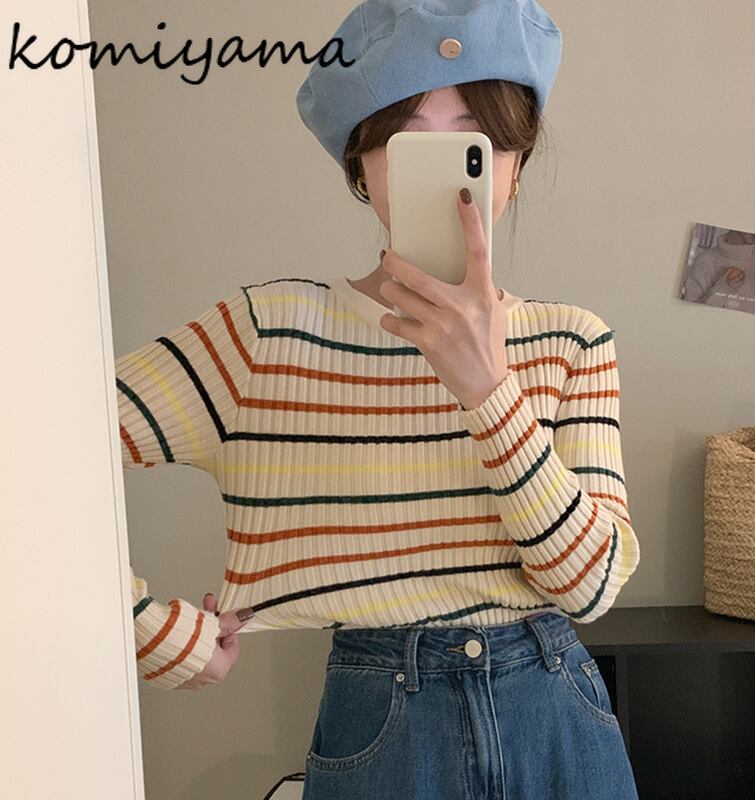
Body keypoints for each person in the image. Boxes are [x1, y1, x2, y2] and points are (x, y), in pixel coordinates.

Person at [118, 1, 641, 797]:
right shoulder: (267, 333)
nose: (446, 167)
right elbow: (33, 444)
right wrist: (139, 624)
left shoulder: (573, 341)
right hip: (383, 720)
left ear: (515, 164)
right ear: (361, 166)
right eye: (408, 137)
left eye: (475, 138)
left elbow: (590, 587)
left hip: (556, 709)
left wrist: (487, 387)